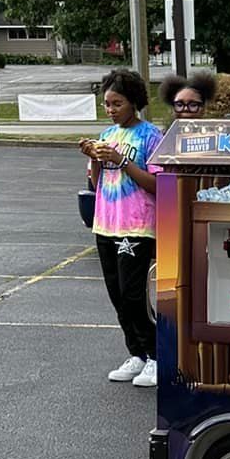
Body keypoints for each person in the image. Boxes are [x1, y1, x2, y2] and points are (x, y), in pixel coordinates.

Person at [80, 69, 162, 388]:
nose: (111, 110)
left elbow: (155, 184)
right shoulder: (106, 136)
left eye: (118, 103)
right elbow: (98, 184)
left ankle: (155, 355)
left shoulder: (150, 136)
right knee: (116, 294)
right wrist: (95, 158)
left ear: (134, 102)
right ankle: (137, 353)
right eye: (107, 104)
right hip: (107, 223)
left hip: (136, 224)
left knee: (133, 295)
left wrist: (121, 160)